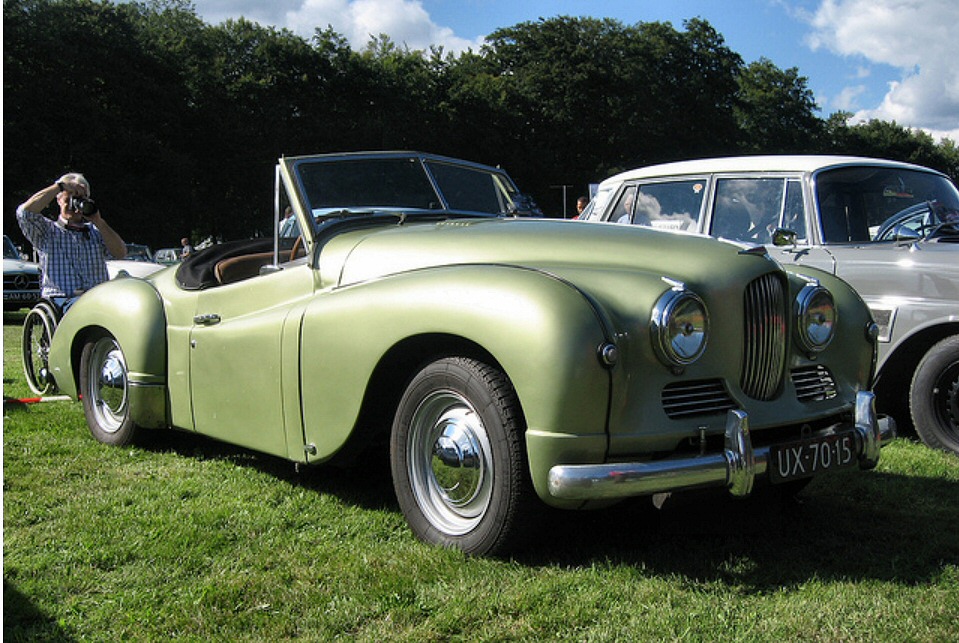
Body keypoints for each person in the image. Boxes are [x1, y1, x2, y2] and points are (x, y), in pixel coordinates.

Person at [16, 173, 126, 313]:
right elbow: (24, 213)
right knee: (84, 306)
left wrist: (98, 221)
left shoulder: (96, 232)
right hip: (60, 301)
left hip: (97, 300)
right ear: (59, 200)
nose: (74, 206)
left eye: (79, 200)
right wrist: (59, 187)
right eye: (69, 199)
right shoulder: (47, 231)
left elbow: (120, 253)